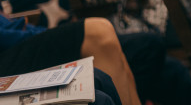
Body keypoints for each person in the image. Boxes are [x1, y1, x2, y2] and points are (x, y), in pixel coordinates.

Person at [0, 16, 141, 105]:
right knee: (99, 32)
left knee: (101, 78)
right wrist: (38, 33)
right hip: (7, 49)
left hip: (11, 35)